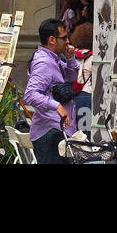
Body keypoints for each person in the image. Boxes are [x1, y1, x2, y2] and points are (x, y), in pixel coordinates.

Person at [22, 18, 79, 164]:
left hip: (57, 130)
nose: (68, 41)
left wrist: (71, 58)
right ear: (52, 40)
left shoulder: (53, 59)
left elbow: (71, 77)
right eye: (65, 37)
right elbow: (30, 94)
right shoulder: (44, 62)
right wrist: (56, 106)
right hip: (50, 132)